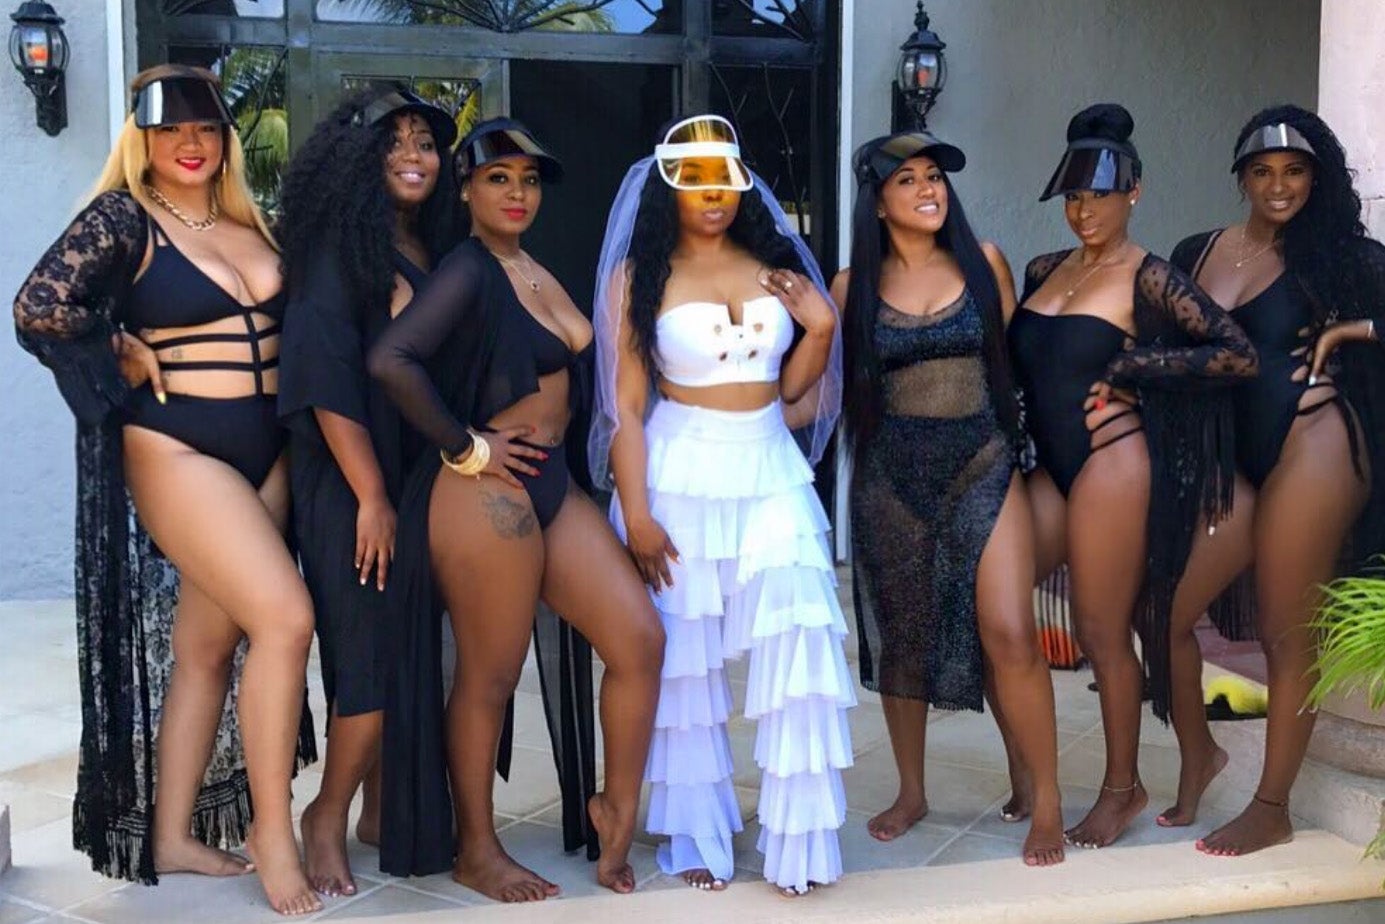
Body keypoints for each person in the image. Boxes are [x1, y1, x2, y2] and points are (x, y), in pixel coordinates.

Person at [13, 64, 320, 915]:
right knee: (285, 619)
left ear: (224, 140)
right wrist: (112, 342)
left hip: (268, 454)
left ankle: (172, 834)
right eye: (170, 129)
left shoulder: (251, 223)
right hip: (178, 448)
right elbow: (38, 304)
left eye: (206, 127)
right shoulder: (124, 217)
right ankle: (272, 829)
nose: (190, 143)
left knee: (205, 650)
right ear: (140, 139)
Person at [368, 117, 664, 901]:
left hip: (550, 484)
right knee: (490, 674)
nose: (516, 193)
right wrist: (465, 445)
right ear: (465, 189)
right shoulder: (467, 271)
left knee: (638, 639)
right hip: (484, 489)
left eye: (528, 180)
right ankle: (476, 848)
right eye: (497, 178)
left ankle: (614, 811)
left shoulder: (532, 267)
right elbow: (390, 359)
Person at [590, 114, 854, 897]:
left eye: (725, 179)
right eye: (695, 179)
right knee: (685, 658)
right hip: (678, 469)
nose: (713, 194)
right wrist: (636, 513)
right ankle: (697, 835)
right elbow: (624, 407)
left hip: (769, 464)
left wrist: (819, 328)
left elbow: (792, 389)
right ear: (669, 187)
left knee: (801, 637)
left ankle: (799, 849)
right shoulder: (636, 277)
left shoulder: (774, 268)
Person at [1002, 103, 1258, 850]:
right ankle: (1030, 773)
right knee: (998, 607)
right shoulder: (1043, 268)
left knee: (1101, 629)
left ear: (1134, 192)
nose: (1084, 210)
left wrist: (1132, 366)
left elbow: (1235, 353)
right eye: (1073, 196)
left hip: (1114, 460)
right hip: (1049, 466)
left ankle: (1123, 787)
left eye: (1101, 195)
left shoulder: (1152, 277)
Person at [839, 130, 1064, 866]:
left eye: (933, 176)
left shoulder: (983, 262)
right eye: (906, 180)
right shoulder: (850, 287)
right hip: (890, 478)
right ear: (878, 202)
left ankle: (1045, 797)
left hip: (983, 463)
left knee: (1008, 630)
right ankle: (912, 792)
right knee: (901, 639)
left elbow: (1022, 369)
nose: (926, 189)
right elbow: (825, 384)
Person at [1170, 105, 1385, 856]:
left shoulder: (1344, 257)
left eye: (1294, 170)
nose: (1278, 185)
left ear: (1316, 177)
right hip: (1237, 459)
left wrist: (1352, 330)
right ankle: (1200, 753)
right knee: (1164, 611)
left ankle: (1272, 806)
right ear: (1241, 178)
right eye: (1261, 171)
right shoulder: (1197, 250)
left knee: (1285, 630)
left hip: (1316, 440)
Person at [277, 86, 460, 897]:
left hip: (413, 478)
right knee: (368, 664)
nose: (414, 156)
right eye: (394, 142)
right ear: (358, 159)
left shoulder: (428, 244)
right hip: (352, 483)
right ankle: (326, 815)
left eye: (425, 143)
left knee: (405, 652)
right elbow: (323, 383)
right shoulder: (337, 250)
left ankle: (384, 811)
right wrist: (372, 497)